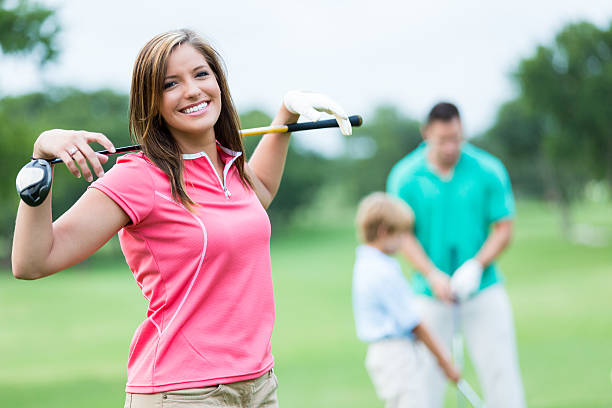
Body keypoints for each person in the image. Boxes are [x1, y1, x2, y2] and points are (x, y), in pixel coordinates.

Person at [11, 29, 352, 408]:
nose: (192, 90)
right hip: (182, 392)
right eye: (171, 83)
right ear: (151, 102)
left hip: (258, 385)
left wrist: (286, 112)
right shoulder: (139, 176)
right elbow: (32, 262)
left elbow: (261, 195)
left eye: (201, 74)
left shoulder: (227, 164)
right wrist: (39, 161)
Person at [386, 102, 526, 408]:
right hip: (428, 292)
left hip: (484, 288)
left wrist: (477, 265)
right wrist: (431, 274)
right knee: (423, 381)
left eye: (456, 138)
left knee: (501, 373)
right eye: (443, 140)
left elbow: (503, 227)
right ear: (426, 134)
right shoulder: (405, 176)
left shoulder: (487, 168)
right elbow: (402, 234)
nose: (451, 147)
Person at [352, 192, 460, 408]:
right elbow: (414, 323)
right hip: (396, 355)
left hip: (385, 353)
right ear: (384, 231)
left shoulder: (365, 263)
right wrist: (444, 361)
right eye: (401, 235)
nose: (403, 243)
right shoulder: (383, 270)